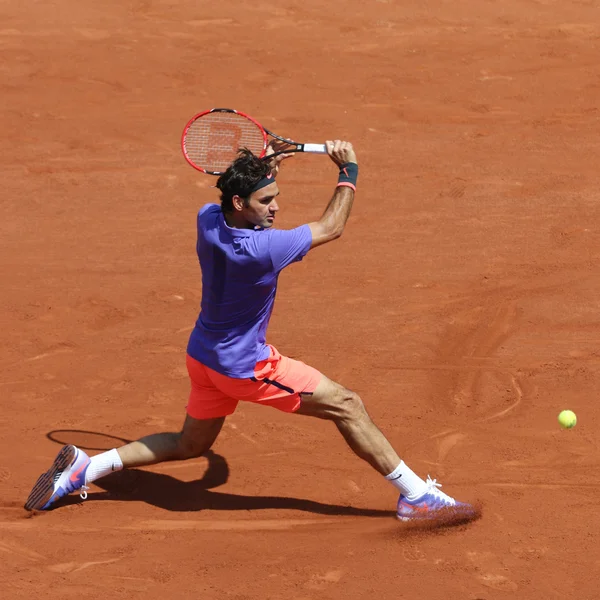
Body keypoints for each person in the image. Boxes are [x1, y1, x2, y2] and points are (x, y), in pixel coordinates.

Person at [25, 140, 476, 522]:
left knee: (191, 443)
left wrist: (263, 167)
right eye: (267, 201)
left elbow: (232, 196)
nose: (276, 208)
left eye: (275, 197)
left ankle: (87, 467)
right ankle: (417, 496)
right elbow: (332, 226)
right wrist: (348, 169)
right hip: (246, 365)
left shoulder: (208, 219)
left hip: (203, 357)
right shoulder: (264, 248)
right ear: (240, 204)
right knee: (347, 405)